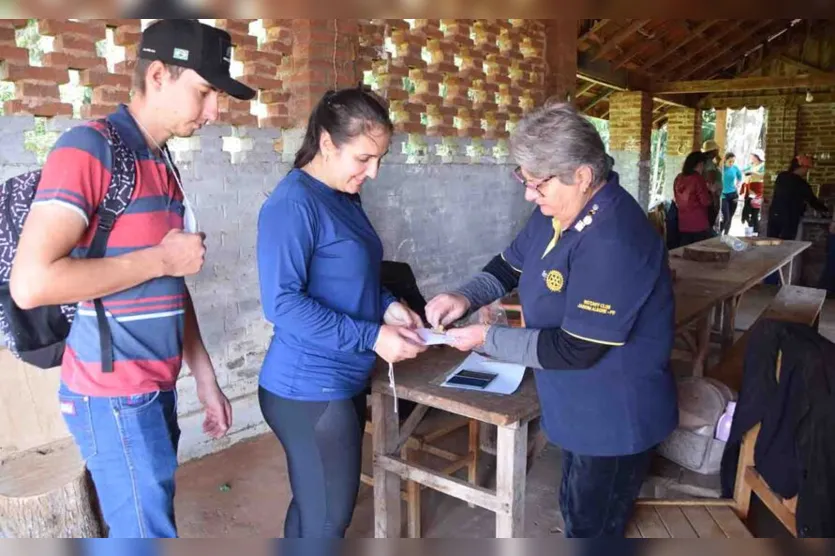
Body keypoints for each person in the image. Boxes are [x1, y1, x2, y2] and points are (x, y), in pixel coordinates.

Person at [8, 20, 254, 538]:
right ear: (159, 75)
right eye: (206, 92)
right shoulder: (88, 148)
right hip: (111, 394)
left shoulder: (159, 161)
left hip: (153, 389)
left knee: (146, 524)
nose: (214, 111)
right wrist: (162, 260)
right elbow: (32, 283)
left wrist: (204, 377)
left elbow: (170, 280)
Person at [425, 102, 678, 538]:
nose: (528, 193)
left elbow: (574, 348)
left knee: (592, 523)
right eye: (523, 179)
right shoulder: (554, 212)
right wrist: (463, 296)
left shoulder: (614, 239)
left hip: (615, 412)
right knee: (575, 507)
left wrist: (486, 337)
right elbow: (509, 265)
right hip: (576, 400)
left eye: (537, 183)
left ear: (581, 176)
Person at [256, 86, 427, 538]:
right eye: (363, 158)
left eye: (379, 160)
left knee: (315, 508)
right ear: (328, 143)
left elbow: (356, 274)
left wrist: (389, 307)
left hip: (342, 378)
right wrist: (372, 337)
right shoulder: (293, 205)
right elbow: (283, 304)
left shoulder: (343, 195)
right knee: (329, 519)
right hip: (307, 386)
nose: (372, 172)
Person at [767, 155, 829, 240]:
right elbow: (813, 201)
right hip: (789, 218)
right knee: (787, 244)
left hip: (774, 215)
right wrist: (826, 211)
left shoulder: (781, 176)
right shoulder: (801, 184)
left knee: (771, 242)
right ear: (802, 167)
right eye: (807, 168)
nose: (806, 171)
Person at [674, 152, 714, 246]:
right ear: (700, 164)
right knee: (699, 251)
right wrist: (711, 191)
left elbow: (676, 199)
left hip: (683, 222)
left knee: (685, 249)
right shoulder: (698, 179)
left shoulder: (678, 178)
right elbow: (705, 201)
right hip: (698, 223)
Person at [741, 149, 765, 233]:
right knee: (746, 211)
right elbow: (743, 171)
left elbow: (763, 176)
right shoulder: (750, 165)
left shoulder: (762, 166)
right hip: (749, 190)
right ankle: (750, 226)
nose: (752, 158)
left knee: (755, 213)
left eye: (753, 156)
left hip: (757, 190)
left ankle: (755, 230)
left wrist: (753, 173)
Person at [720, 152, 743, 235]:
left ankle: (726, 235)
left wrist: (738, 184)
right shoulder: (721, 169)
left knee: (730, 217)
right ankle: (719, 234)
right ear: (725, 160)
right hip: (723, 195)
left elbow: (740, 177)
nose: (731, 163)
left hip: (733, 194)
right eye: (730, 161)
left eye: (733, 161)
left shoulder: (735, 168)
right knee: (726, 217)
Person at [701, 139, 722, 232]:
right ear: (713, 151)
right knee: (710, 220)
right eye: (716, 149)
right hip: (711, 195)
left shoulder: (707, 162)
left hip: (710, 194)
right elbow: (711, 183)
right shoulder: (709, 163)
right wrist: (715, 200)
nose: (718, 151)